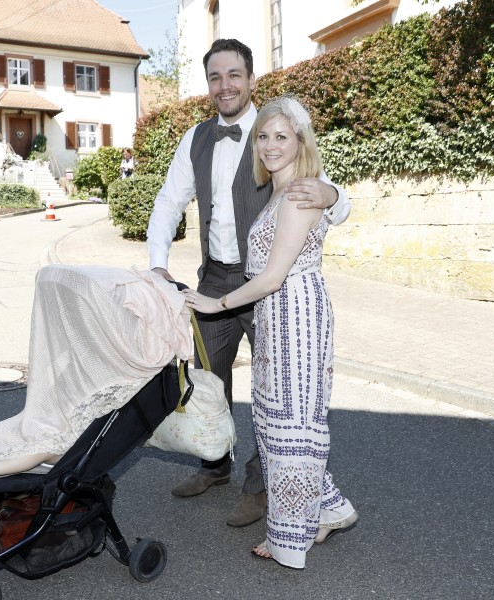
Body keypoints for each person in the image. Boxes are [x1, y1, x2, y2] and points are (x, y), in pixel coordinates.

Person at [146, 38, 351, 528]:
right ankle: (214, 464)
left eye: (234, 75)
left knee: (275, 391)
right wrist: (158, 265)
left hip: (268, 287)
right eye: (215, 77)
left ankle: (261, 488)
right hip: (213, 277)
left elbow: (334, 203)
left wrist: (331, 191)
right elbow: (168, 202)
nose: (225, 86)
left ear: (251, 79)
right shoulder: (195, 139)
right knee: (205, 380)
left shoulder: (274, 133)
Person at [182, 95, 357, 569]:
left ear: (301, 140)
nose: (270, 145)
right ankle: (331, 510)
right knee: (277, 420)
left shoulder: (302, 192)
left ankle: (290, 538)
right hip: (275, 316)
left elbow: (273, 274)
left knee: (293, 426)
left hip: (295, 312)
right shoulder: (282, 191)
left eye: (281, 136)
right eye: (263, 136)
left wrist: (216, 303)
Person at [0, 264, 192, 489]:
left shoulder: (134, 367)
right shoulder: (98, 360)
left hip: (74, 450)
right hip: (58, 428)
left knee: (41, 449)